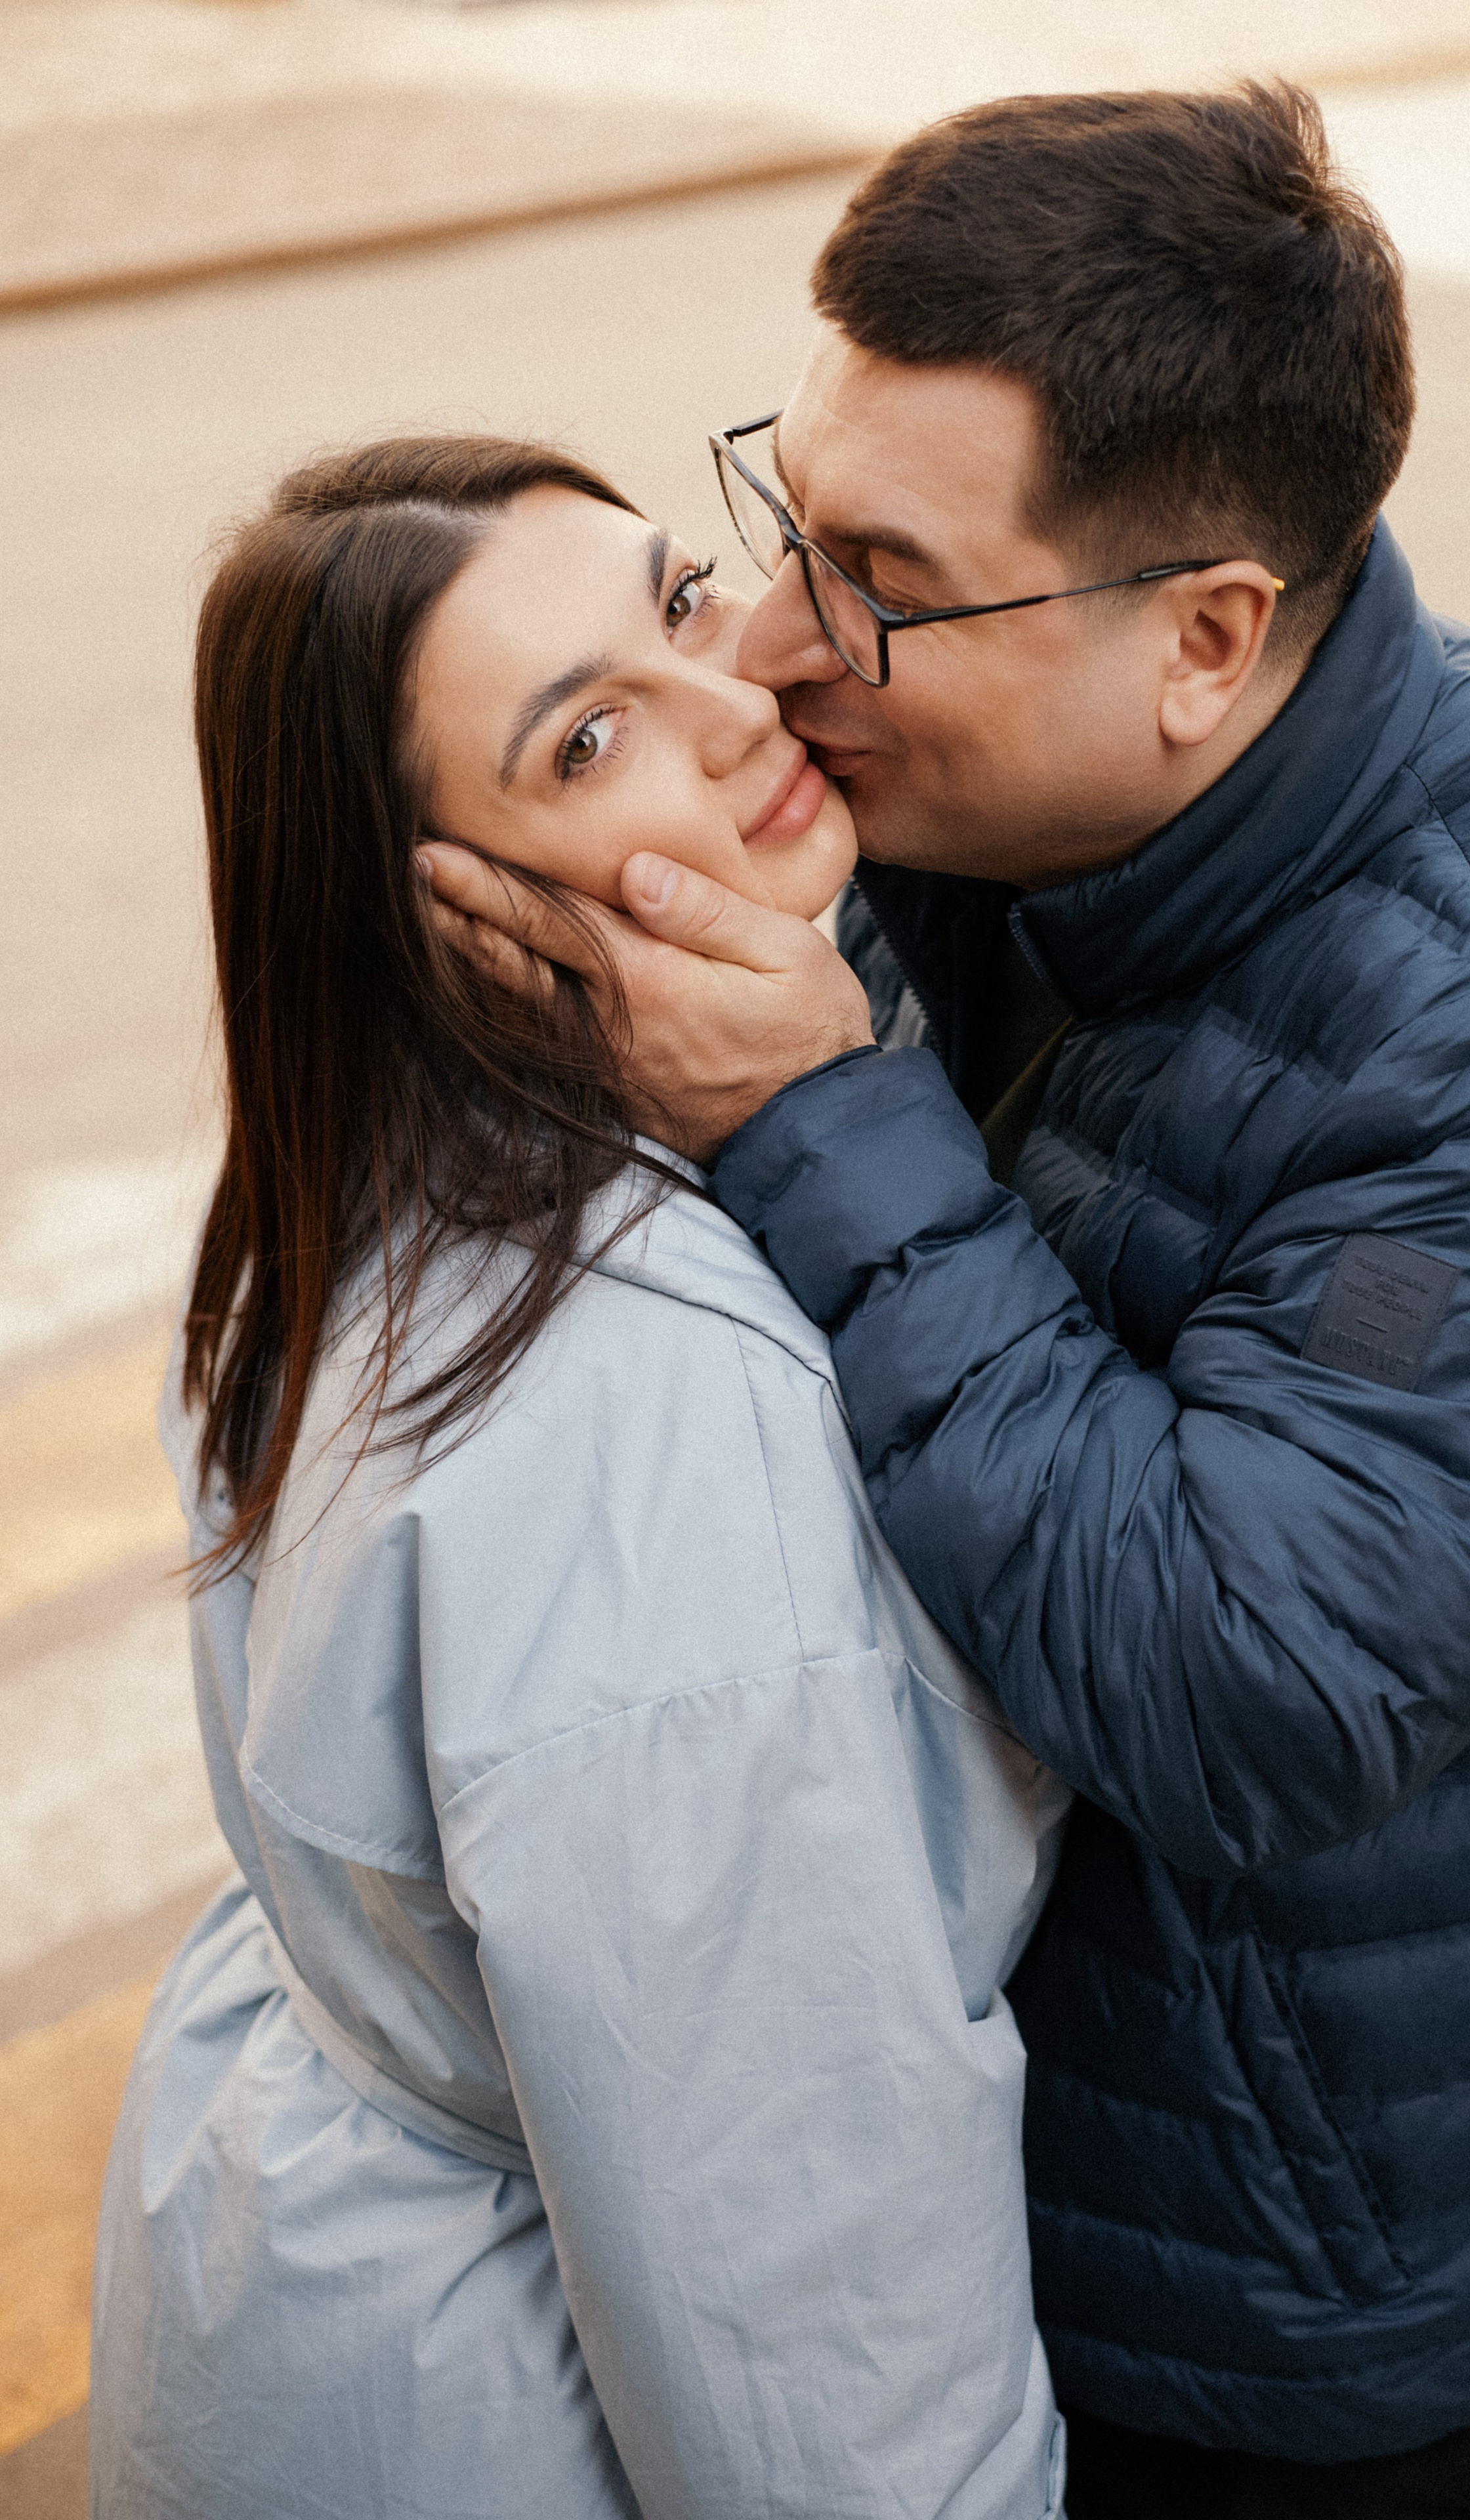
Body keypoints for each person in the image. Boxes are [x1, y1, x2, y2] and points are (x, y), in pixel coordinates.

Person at [426, 84, 1470, 2520]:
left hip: (1316, 2288)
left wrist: (811, 1111)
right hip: (979, 2185)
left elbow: (1256, 1683)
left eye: (882, 570)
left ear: (1206, 638)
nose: (785, 639)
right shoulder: (975, 800)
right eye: (783, 513)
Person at [88, 434, 1074, 2520]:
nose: (739, 706)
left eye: (674, 601)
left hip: (310, 2288)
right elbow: (806, 2306)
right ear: (441, 908)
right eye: (589, 737)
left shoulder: (341, 1187)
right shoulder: (646, 1413)